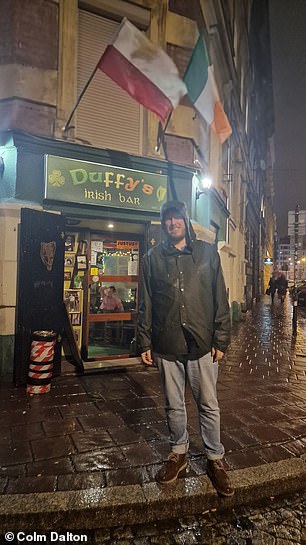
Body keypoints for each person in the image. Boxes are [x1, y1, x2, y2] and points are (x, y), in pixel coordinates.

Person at [137, 200, 234, 497]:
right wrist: (144, 340)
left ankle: (215, 459)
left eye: (177, 218)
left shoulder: (206, 253)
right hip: (167, 343)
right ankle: (178, 453)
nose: (172, 223)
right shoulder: (152, 258)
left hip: (202, 344)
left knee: (208, 403)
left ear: (186, 221)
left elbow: (220, 297)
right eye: (167, 219)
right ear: (163, 224)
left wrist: (221, 339)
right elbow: (147, 303)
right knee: (173, 404)